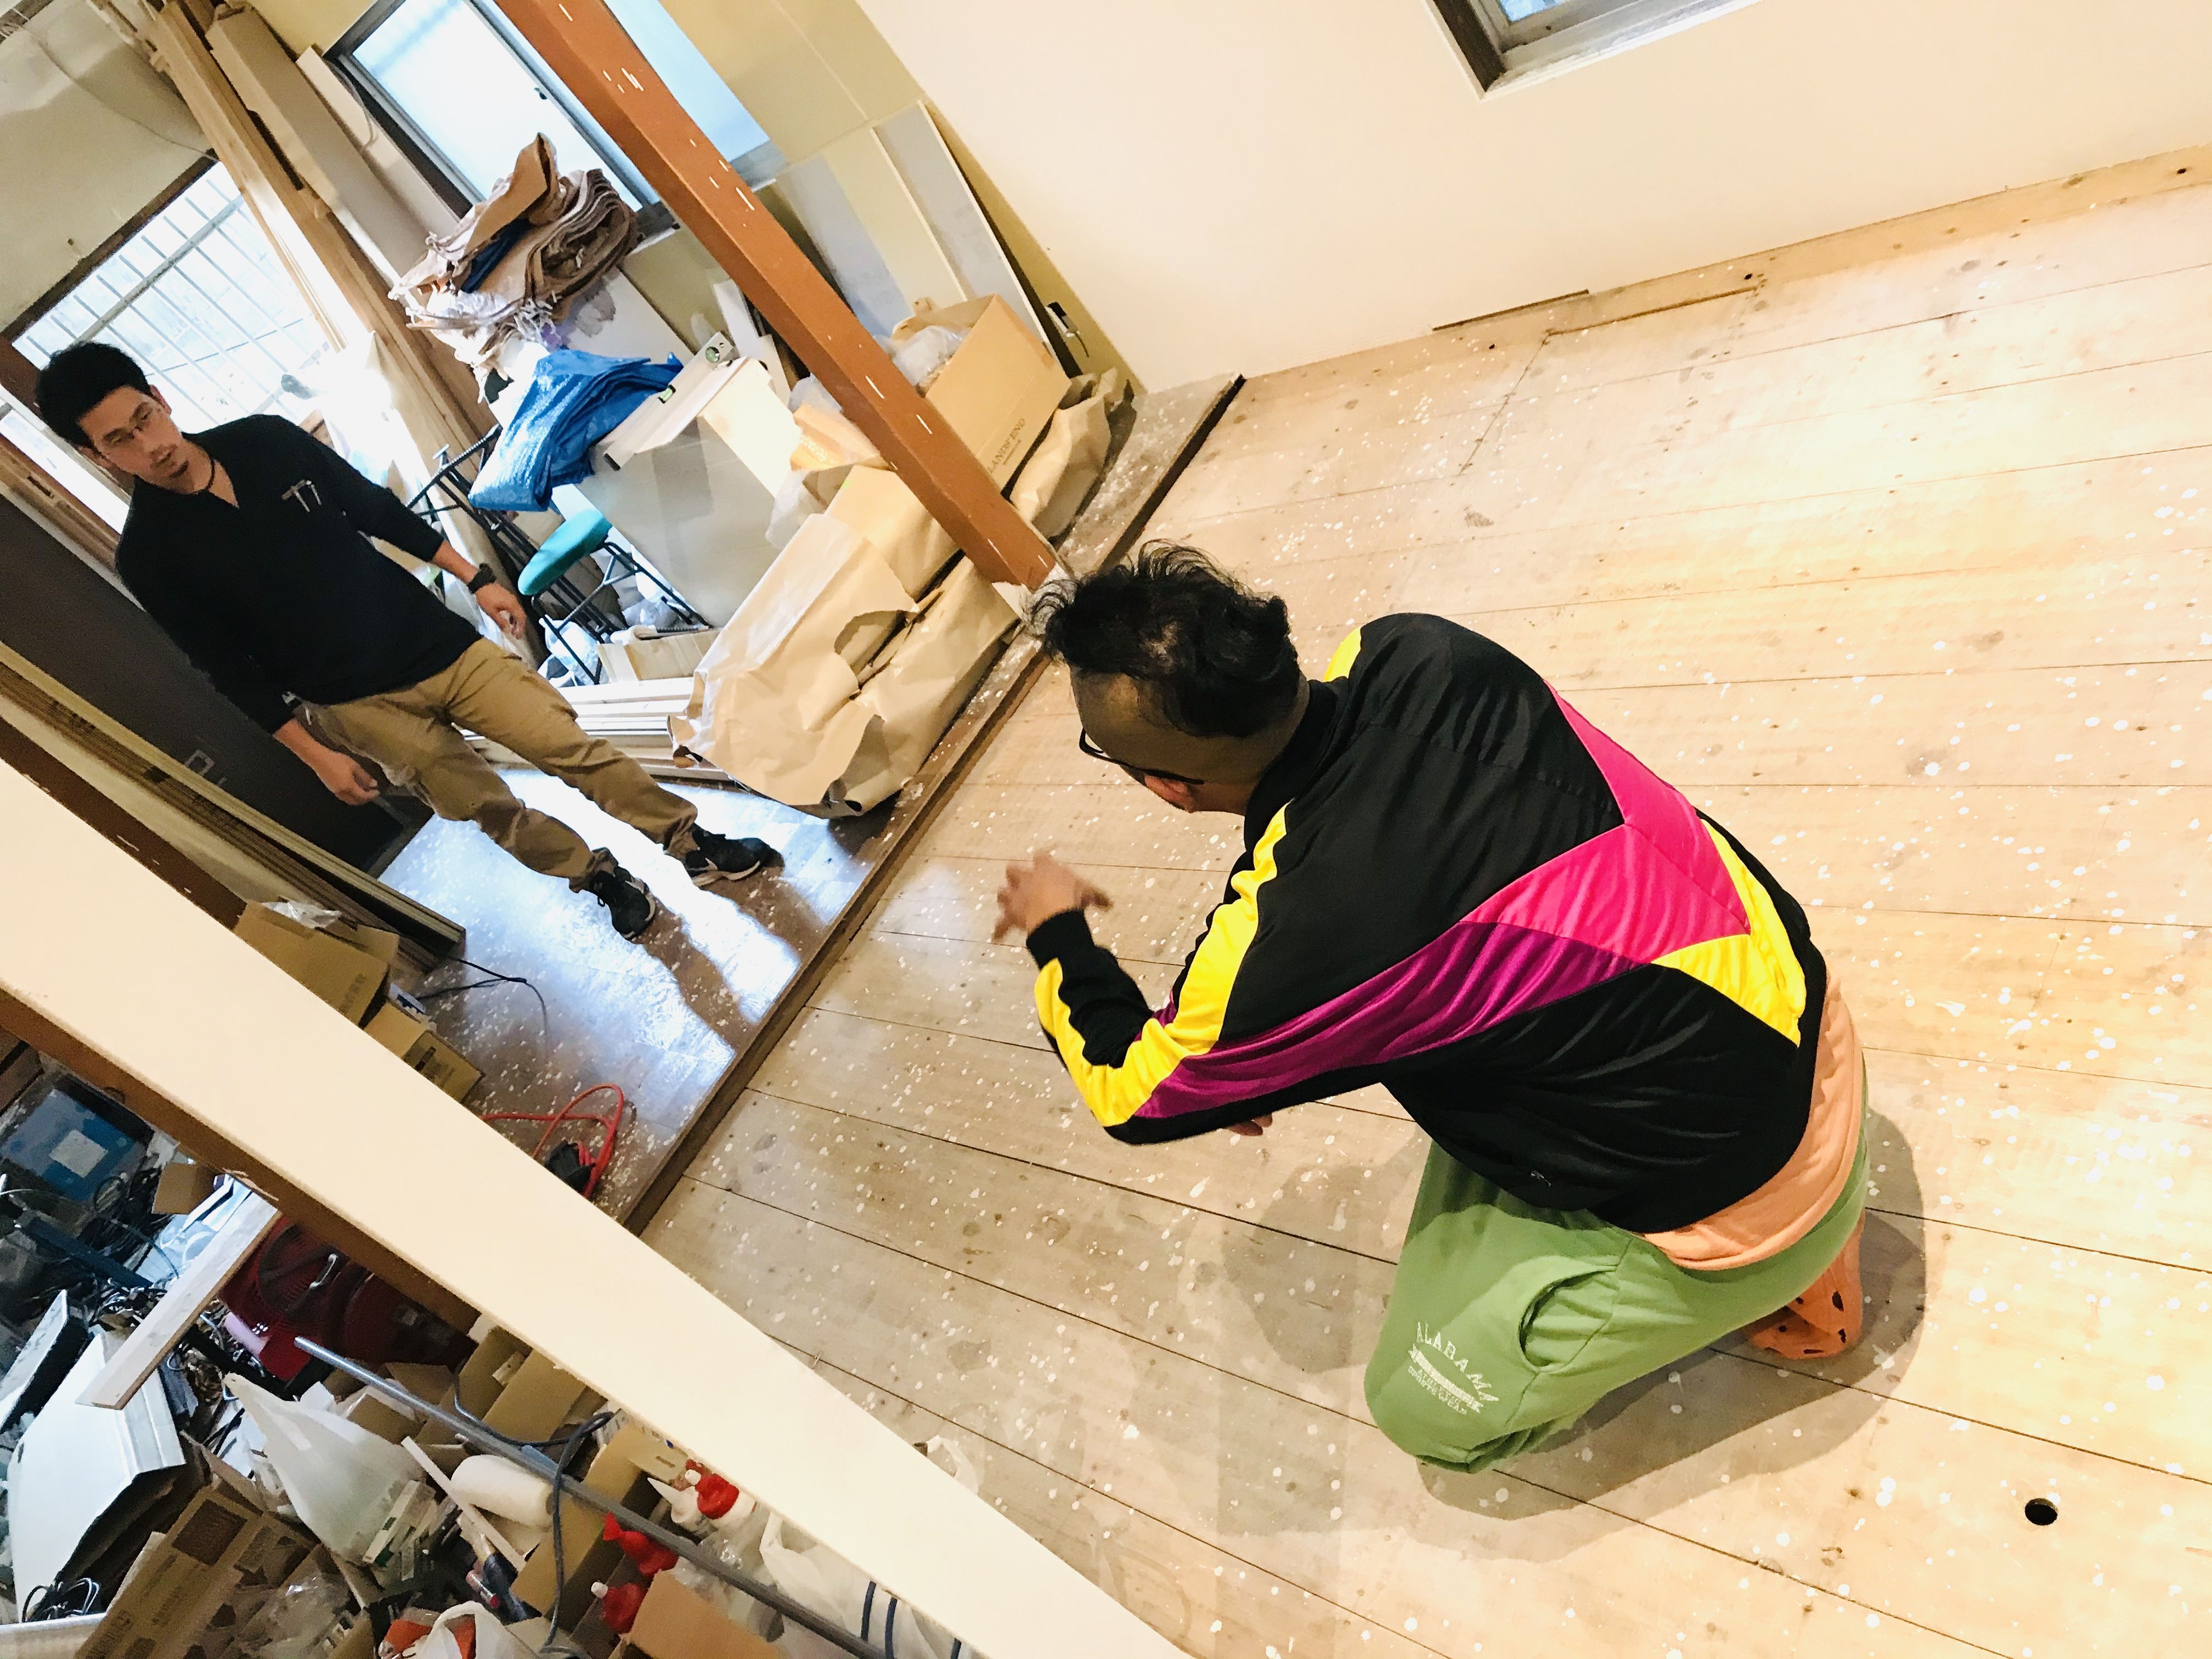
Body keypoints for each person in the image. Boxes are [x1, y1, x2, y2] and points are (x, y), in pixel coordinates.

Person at [995, 545, 1866, 1473]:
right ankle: (1796, 1239)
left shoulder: (1303, 931)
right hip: (1802, 1011)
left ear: (1167, 784)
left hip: (1751, 1197)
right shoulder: (1419, 649)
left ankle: (1792, 1269)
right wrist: (1249, 1051)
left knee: (1421, 1413)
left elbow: (1134, 1094)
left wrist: (1058, 933)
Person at [36, 343, 777, 939]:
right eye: (120, 441)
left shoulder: (264, 441)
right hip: (356, 706)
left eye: (145, 418)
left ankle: (688, 842)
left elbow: (372, 508)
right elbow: (226, 668)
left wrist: (475, 576)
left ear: (160, 398)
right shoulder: (149, 558)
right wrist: (319, 756)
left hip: (436, 645)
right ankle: (598, 877)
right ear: (99, 456)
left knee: (567, 746)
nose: (150, 445)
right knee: (491, 809)